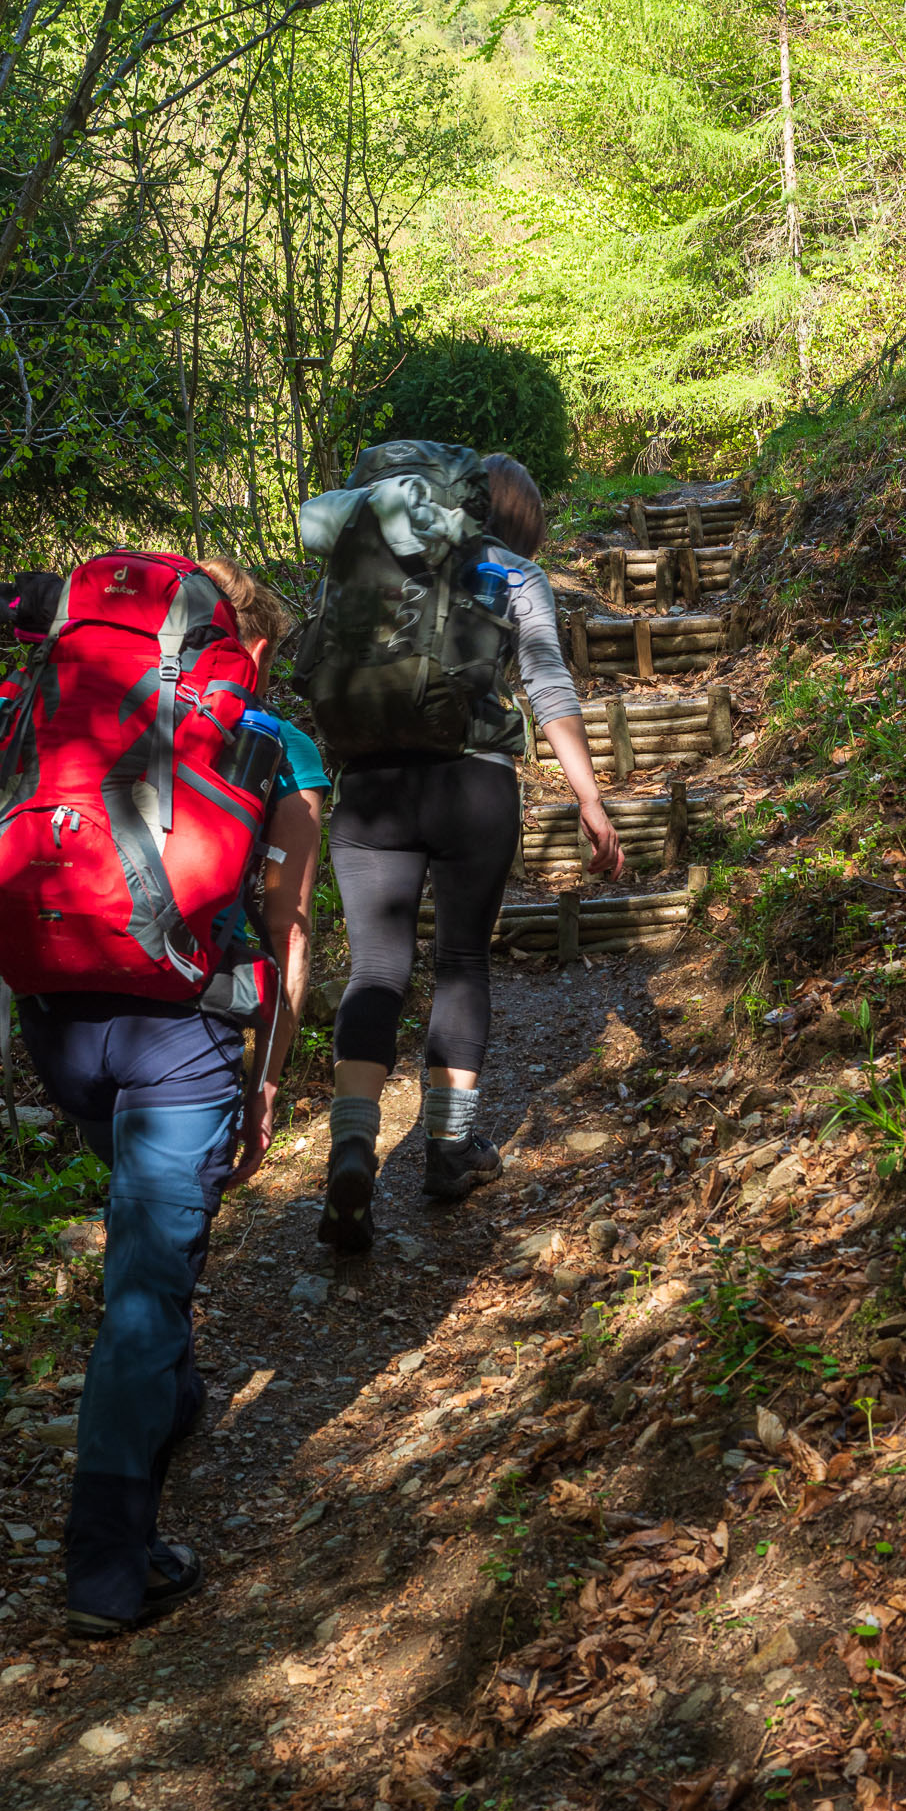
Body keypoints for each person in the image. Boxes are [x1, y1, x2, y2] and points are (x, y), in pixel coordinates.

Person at [0, 558, 326, 1638]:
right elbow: (289, 927)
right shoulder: (271, 741)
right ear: (243, 644)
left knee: (144, 1242)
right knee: (144, 1292)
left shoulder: (13, 706)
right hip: (186, 1030)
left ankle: (165, 1401)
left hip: (55, 1024)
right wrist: (266, 1083)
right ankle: (109, 1565)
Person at [308, 452, 623, 1255]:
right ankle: (447, 1152)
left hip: (367, 788)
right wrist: (587, 795)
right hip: (472, 786)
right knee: (460, 963)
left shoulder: (357, 563)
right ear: (514, 512)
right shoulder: (513, 572)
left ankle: (353, 1147)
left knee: (376, 972)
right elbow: (547, 680)